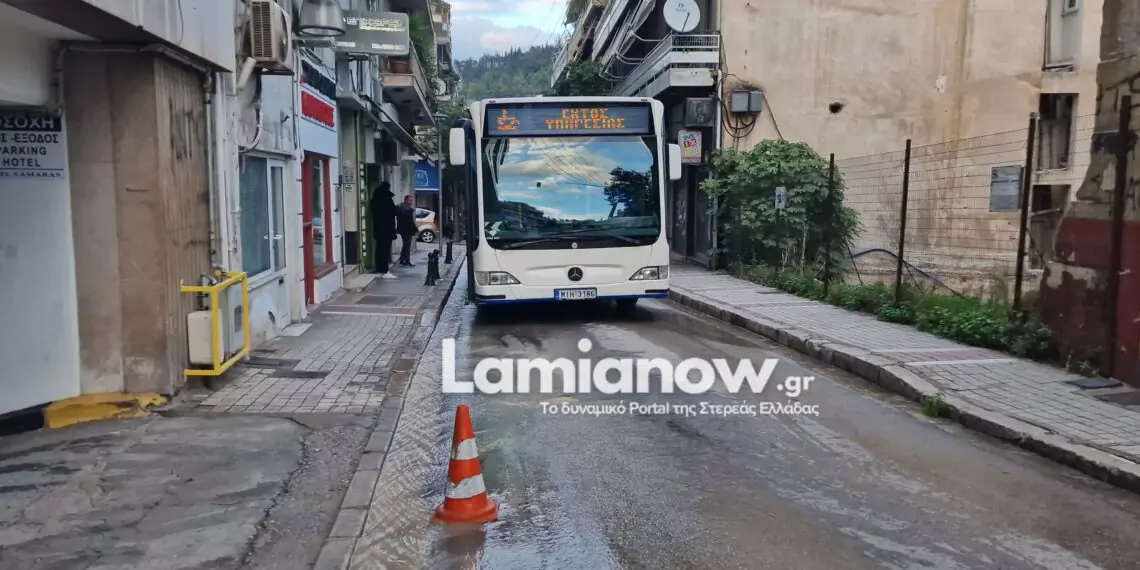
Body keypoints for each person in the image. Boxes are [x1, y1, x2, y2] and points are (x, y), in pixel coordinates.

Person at [369, 182, 399, 279]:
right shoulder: (387, 199)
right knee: (385, 250)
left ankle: (379, 268)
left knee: (379, 248)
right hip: (387, 229)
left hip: (378, 228)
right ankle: (384, 270)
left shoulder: (375, 199)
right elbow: (393, 211)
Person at [397, 194, 417, 266]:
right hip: (406, 230)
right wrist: (414, 229)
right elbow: (409, 221)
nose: (411, 202)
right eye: (409, 200)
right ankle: (407, 261)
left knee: (405, 245)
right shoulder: (406, 209)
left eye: (411, 200)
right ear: (405, 200)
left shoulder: (402, 207)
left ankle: (402, 259)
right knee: (407, 245)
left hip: (404, 229)